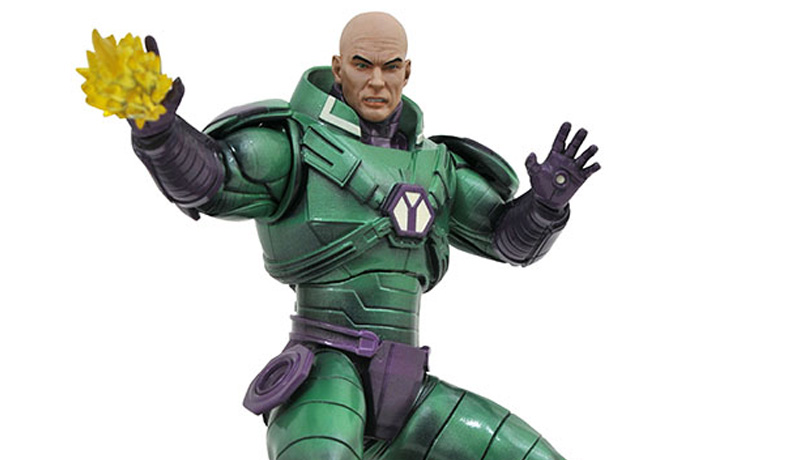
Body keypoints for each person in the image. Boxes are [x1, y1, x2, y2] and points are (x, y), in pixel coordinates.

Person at [122, 11, 599, 460]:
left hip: (409, 387)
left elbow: (502, 238)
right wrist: (161, 137)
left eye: (390, 67)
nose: (376, 81)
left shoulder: (438, 166)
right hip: (325, 370)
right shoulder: (298, 144)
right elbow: (217, 179)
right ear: (338, 68)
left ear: (406, 73)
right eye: (362, 64)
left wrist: (544, 208)